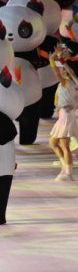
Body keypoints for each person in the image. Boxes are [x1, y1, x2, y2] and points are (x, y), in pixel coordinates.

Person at [48, 51, 78, 181]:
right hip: (64, 115)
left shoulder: (67, 82)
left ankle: (68, 172)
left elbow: (58, 70)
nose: (62, 71)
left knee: (64, 145)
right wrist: (59, 59)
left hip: (66, 115)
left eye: (64, 69)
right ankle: (64, 167)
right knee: (53, 143)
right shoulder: (71, 83)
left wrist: (54, 58)